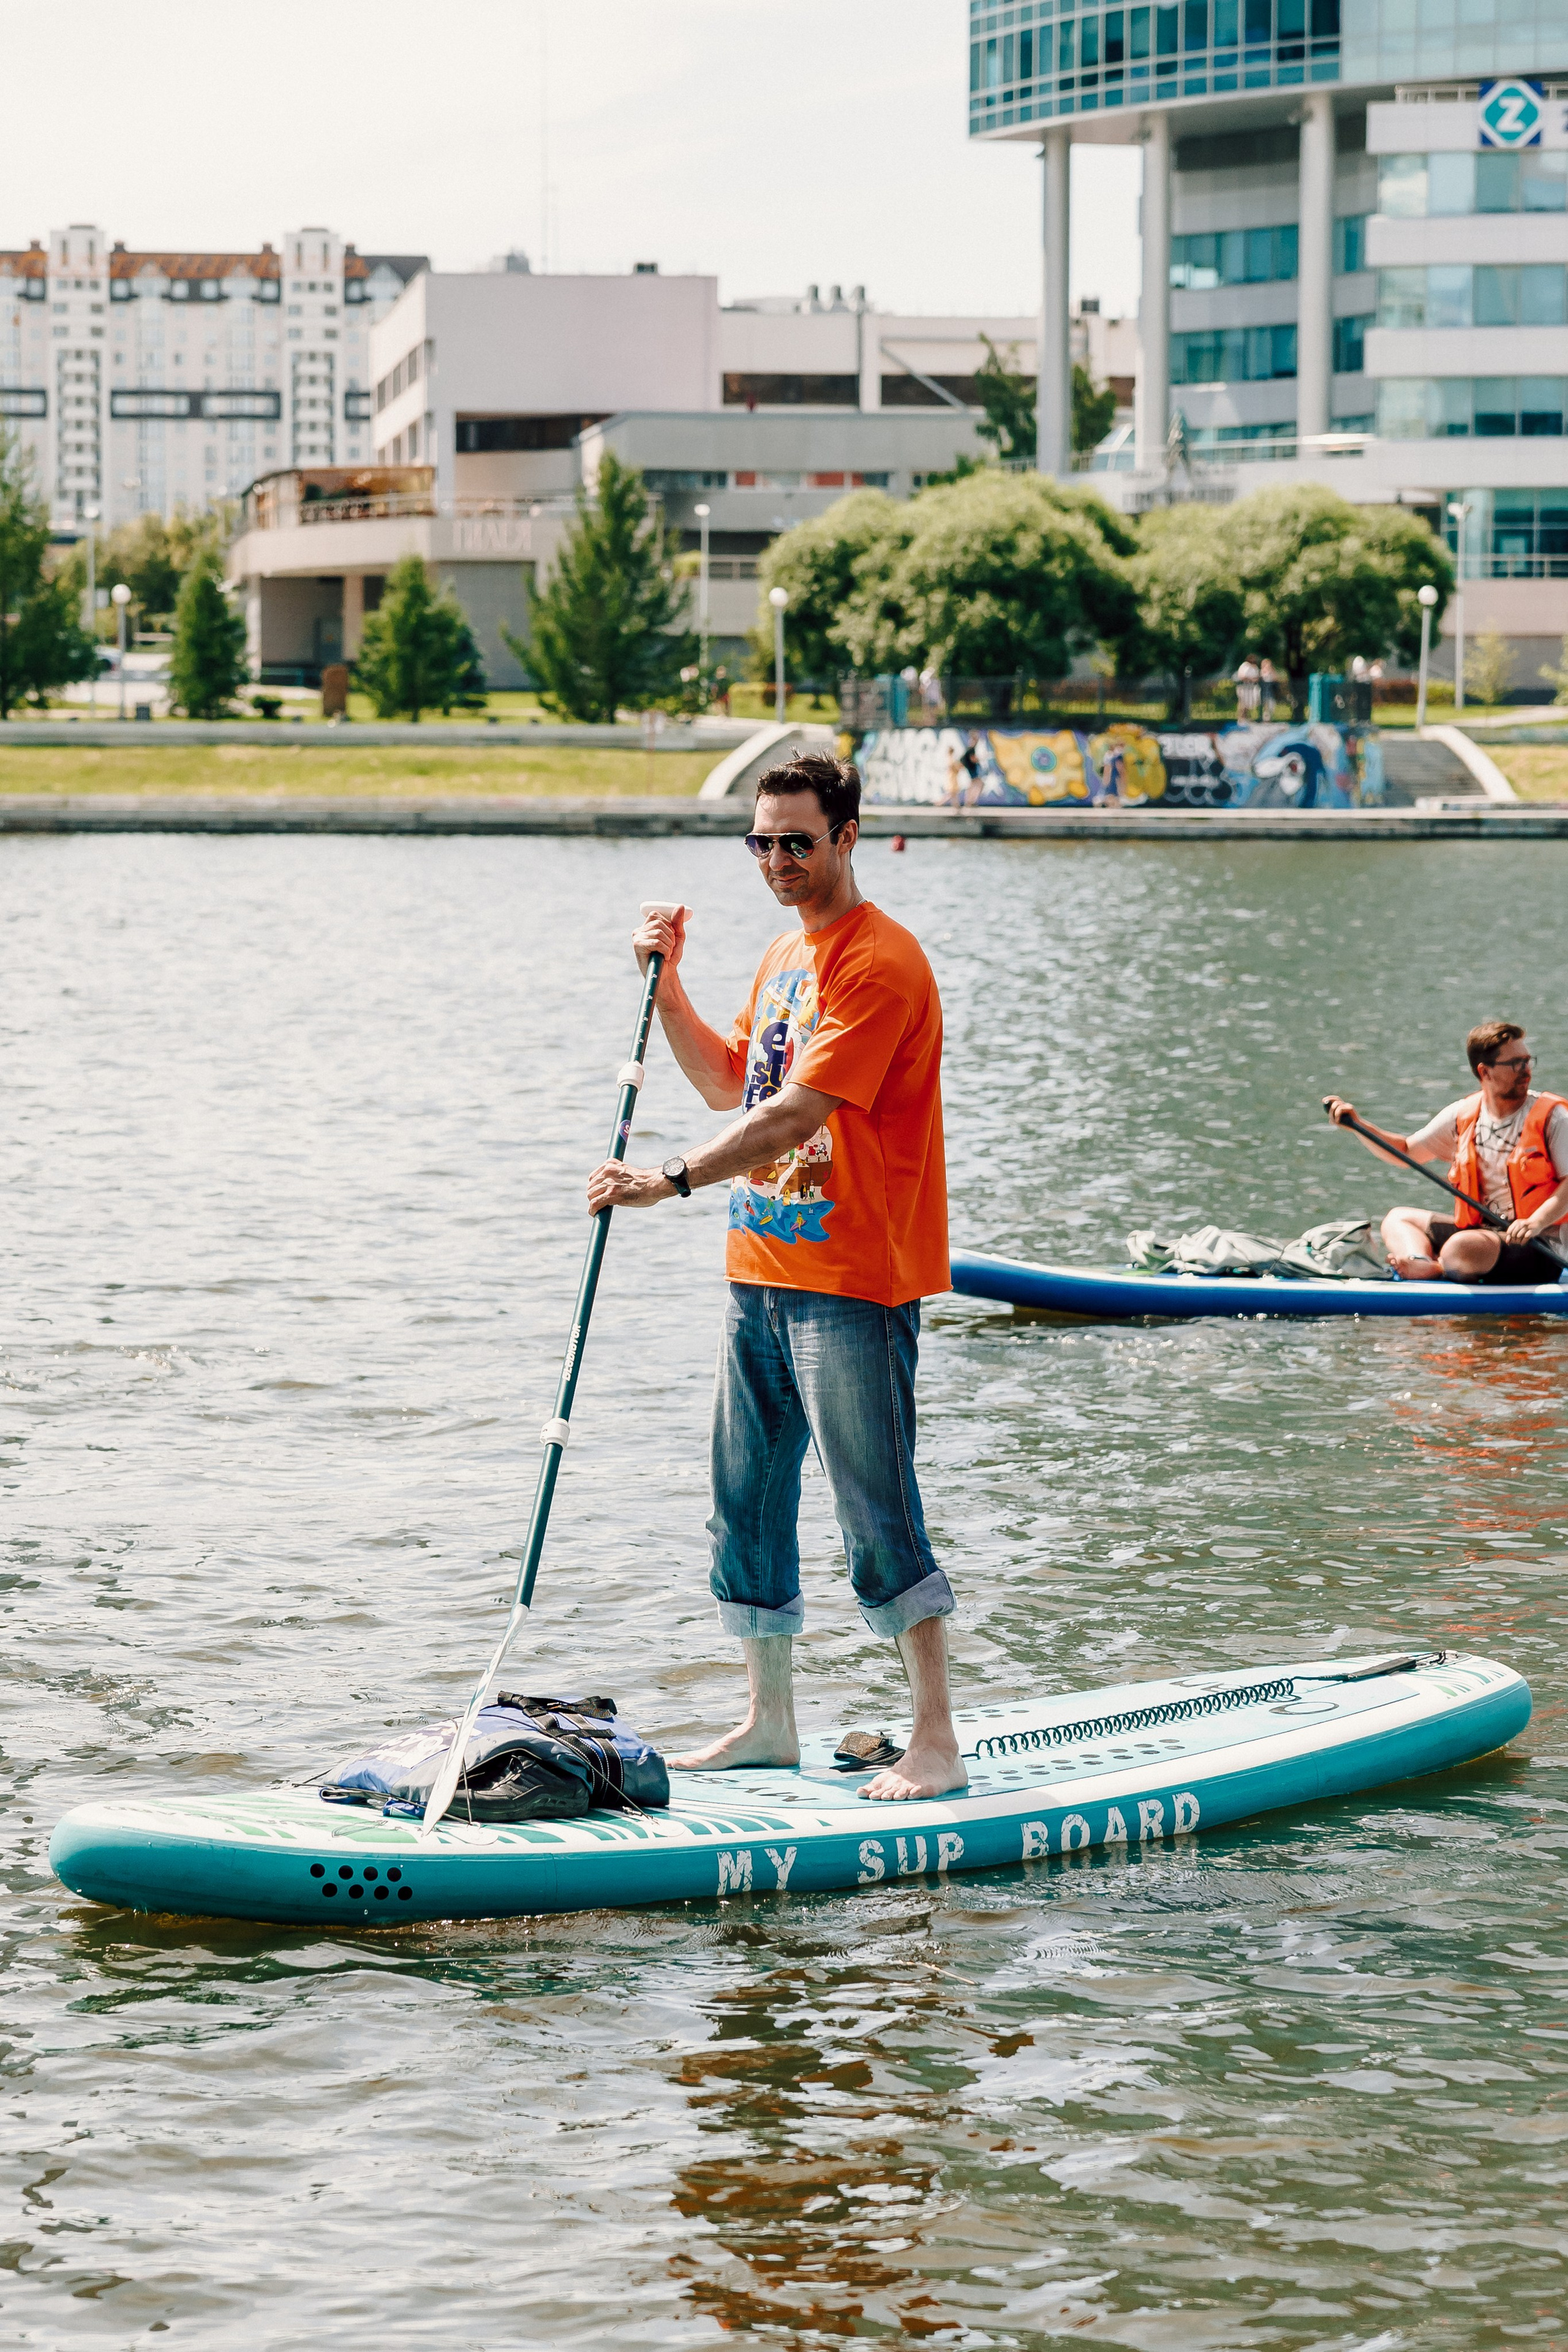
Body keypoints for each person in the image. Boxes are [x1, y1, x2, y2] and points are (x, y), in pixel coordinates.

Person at [585, 752, 963, 1802]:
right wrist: (665, 985)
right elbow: (729, 1087)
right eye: (763, 843)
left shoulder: (880, 962)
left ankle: (934, 1737)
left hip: (855, 1282)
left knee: (875, 1512)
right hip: (759, 1273)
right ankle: (769, 1722)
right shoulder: (784, 959)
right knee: (743, 1505)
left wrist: (667, 1180)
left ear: (847, 836)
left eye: (799, 841)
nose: (780, 862)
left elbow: (797, 1116)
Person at [1325, 1021, 1568, 1282]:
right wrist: (1359, 1127)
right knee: (1398, 1219)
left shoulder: (1554, 1118)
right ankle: (1420, 1263)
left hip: (1539, 1244)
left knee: (1460, 1246)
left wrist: (1536, 1222)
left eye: (1527, 1061)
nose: (1526, 1071)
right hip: (1482, 1234)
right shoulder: (1463, 1115)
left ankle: (1439, 1268)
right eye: (1515, 1064)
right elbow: (1406, 1152)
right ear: (1485, 1072)